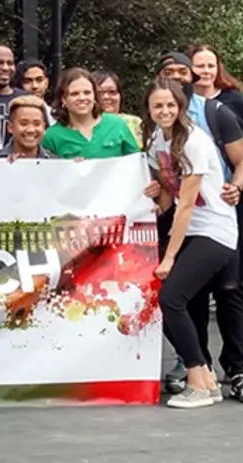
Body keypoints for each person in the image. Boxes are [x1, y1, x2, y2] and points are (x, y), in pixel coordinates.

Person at [144, 78, 240, 409]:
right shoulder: (157, 139)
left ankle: (198, 380)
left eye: (171, 105)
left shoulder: (195, 141)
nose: (165, 111)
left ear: (181, 106)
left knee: (171, 298)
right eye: (158, 105)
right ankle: (207, 380)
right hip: (190, 231)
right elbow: (171, 194)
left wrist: (169, 257)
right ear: (149, 109)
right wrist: (155, 202)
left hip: (214, 230)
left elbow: (187, 204)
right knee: (164, 300)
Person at [41, 68, 140, 159]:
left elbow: (136, 163)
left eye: (87, 92)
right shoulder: (51, 136)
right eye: (74, 94)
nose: (82, 98)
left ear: (94, 96)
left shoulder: (117, 124)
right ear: (63, 99)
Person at [0, 95, 56, 161]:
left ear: (43, 127)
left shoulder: (56, 164)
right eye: (24, 124)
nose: (31, 130)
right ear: (10, 127)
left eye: (36, 124)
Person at [94, 70, 142, 146]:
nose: (106, 97)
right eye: (100, 92)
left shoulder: (135, 122)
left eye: (112, 92)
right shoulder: (83, 126)